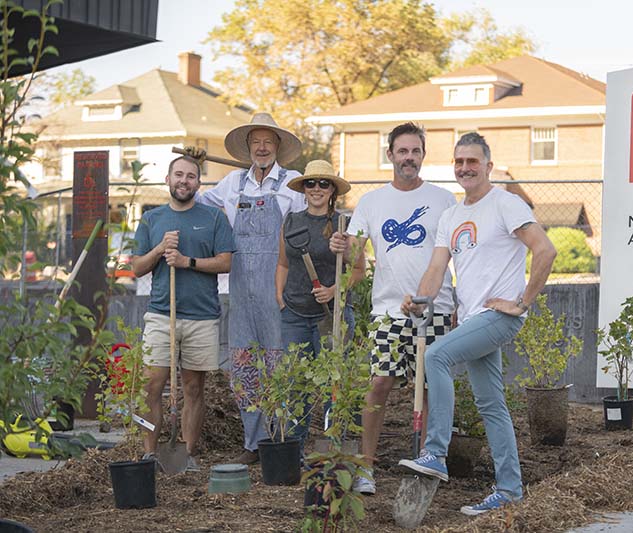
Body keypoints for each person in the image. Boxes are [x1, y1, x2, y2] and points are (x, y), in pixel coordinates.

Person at [398, 133, 556, 515]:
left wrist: (521, 302)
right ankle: (509, 490)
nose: (465, 168)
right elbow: (436, 269)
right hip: (472, 317)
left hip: (498, 316)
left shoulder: (505, 204)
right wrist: (420, 300)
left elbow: (545, 249)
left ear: (488, 165)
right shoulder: (451, 216)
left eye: (472, 161)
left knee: (435, 357)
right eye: (459, 162)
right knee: (491, 405)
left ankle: (435, 451)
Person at [329, 122, 456, 495]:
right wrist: (343, 246)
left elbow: (455, 255)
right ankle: (366, 468)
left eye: (415, 151)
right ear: (390, 155)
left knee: (431, 389)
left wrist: (457, 305)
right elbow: (357, 256)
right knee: (380, 383)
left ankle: (431, 462)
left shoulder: (444, 200)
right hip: (388, 311)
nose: (409, 158)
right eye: (402, 151)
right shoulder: (371, 202)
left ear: (423, 156)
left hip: (435, 308)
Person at [191, 113, 306, 464]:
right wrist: (194, 169)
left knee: (280, 362)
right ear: (248, 147)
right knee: (245, 365)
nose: (261, 147)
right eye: (255, 141)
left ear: (278, 147)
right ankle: (253, 443)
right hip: (241, 288)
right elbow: (197, 203)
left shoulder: (294, 183)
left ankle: (283, 441)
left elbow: (306, 226)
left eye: (267, 142)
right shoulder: (231, 183)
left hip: (278, 287)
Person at [132, 156, 235, 470]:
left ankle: (186, 455)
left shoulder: (214, 219)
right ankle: (150, 453)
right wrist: (160, 249)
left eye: (191, 176)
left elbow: (225, 262)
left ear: (198, 184)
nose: (184, 181)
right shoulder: (152, 220)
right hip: (162, 314)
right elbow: (136, 268)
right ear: (168, 179)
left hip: (202, 316)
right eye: (179, 174)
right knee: (152, 385)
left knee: (193, 387)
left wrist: (187, 261)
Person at [276, 160, 365, 449]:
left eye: (323, 184)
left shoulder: (345, 225)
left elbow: (359, 271)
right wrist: (280, 299)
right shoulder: (291, 221)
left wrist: (334, 290)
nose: (317, 189)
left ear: (332, 190)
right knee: (296, 384)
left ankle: (333, 445)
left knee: (333, 386)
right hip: (294, 315)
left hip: (332, 316)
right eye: (311, 183)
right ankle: (295, 448)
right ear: (303, 188)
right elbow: (283, 263)